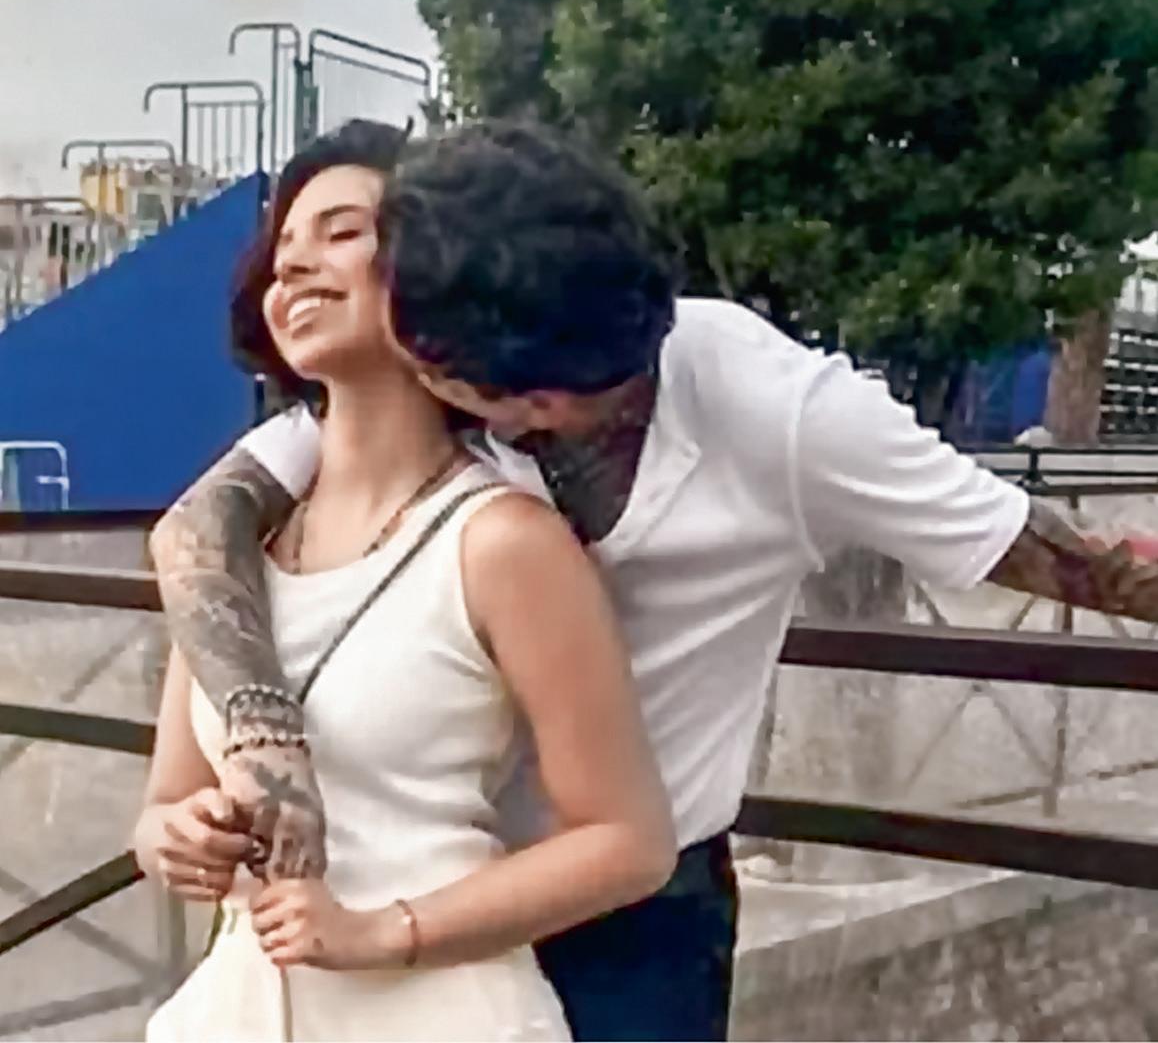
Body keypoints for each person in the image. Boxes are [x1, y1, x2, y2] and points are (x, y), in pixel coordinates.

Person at [149, 119, 1158, 1042]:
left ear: (522, 392)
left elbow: (1047, 549)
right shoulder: (426, 356)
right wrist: (257, 733)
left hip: (635, 908)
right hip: (420, 883)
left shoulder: (779, 412)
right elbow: (200, 527)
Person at [133, 120, 676, 1042]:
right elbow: (161, 809)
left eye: (341, 232)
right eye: (283, 246)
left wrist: (385, 932)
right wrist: (179, 839)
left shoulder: (502, 542)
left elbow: (629, 841)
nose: (293, 264)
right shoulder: (232, 556)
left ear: (432, 270)